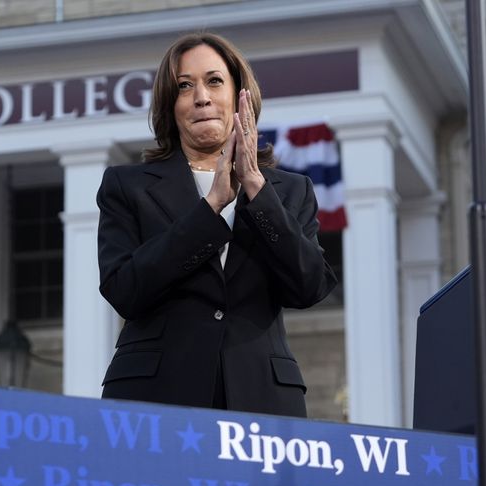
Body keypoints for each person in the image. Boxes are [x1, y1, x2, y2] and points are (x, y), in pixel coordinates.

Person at [96, 32, 337, 417]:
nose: (201, 97)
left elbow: (309, 286)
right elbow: (123, 290)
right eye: (184, 86)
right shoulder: (127, 186)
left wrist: (256, 189)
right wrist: (210, 210)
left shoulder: (289, 192)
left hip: (261, 400)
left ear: (241, 95)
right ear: (169, 105)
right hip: (155, 398)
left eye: (214, 81)